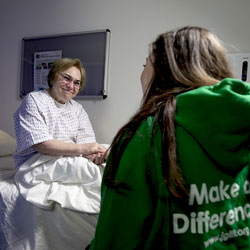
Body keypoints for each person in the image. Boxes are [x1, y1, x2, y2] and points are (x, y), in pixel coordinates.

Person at [90, 26, 250, 249]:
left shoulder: (145, 134)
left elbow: (116, 239)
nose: (143, 73)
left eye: (146, 64)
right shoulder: (242, 123)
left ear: (164, 73)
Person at [13, 58, 107, 213]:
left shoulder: (77, 109)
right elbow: (42, 145)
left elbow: (87, 144)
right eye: (66, 78)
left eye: (77, 82)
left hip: (67, 157)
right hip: (35, 163)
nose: (71, 86)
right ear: (53, 77)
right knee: (89, 170)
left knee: (108, 149)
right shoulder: (34, 100)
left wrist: (96, 155)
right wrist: (85, 149)